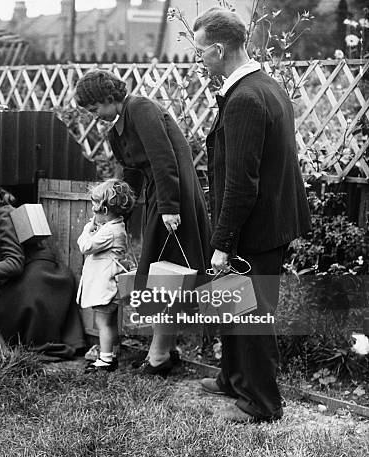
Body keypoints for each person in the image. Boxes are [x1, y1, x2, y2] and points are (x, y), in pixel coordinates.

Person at [193, 7, 311, 422]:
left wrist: (223, 244)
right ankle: (232, 377)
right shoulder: (266, 85)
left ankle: (261, 403)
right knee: (231, 302)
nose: (200, 59)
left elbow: (242, 183)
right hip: (271, 219)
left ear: (220, 49)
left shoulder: (245, 98)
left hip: (257, 227)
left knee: (253, 314)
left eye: (201, 51)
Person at [74, 70, 212, 377]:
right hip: (158, 199)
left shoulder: (141, 109)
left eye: (95, 108)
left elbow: (165, 160)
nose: (94, 116)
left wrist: (170, 207)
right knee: (165, 276)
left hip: (175, 198)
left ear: (108, 97)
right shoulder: (116, 132)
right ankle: (165, 350)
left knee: (168, 273)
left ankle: (159, 354)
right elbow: (131, 179)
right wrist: (115, 215)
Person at [0, 188, 85, 359]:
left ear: (2, 196)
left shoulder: (4, 217)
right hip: (50, 280)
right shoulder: (8, 214)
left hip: (37, 284)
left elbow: (14, 264)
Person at [77, 179, 136, 372]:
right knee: (108, 323)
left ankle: (105, 360)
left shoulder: (110, 231)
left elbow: (85, 246)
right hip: (109, 283)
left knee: (103, 323)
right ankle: (109, 355)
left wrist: (88, 228)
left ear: (104, 211)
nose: (92, 210)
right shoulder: (115, 226)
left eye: (94, 207)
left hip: (106, 285)